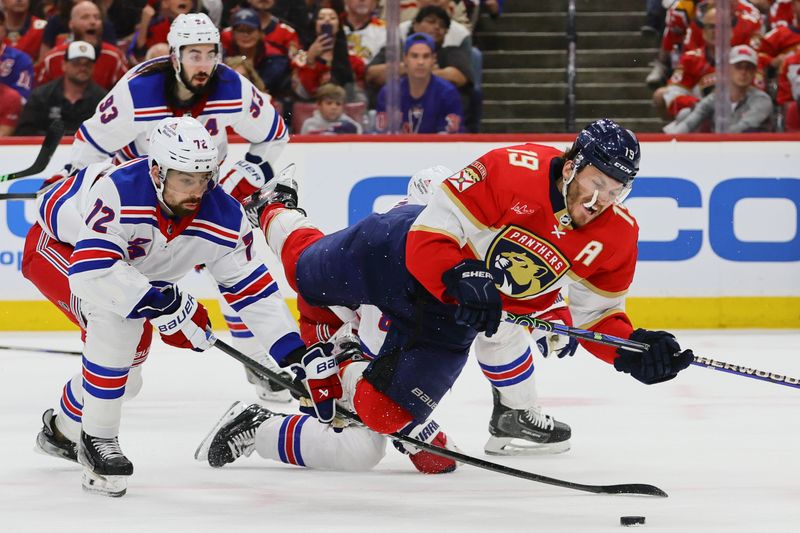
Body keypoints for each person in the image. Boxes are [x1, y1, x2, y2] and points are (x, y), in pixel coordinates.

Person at [195, 119, 695, 474]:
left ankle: (296, 399)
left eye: (615, 191)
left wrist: (630, 350)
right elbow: (428, 235)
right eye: (596, 183)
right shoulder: (511, 168)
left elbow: (598, 315)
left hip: (448, 318)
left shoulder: (617, 235)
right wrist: (458, 271)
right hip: (397, 257)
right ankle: (274, 207)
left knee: (385, 417)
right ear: (572, 167)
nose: (599, 200)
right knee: (305, 269)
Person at [24, 116, 305, 497]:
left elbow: (253, 290)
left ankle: (61, 430)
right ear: (157, 171)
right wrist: (160, 301)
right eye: (185, 179)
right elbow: (94, 270)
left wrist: (295, 356)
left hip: (125, 268)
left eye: (204, 178)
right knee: (117, 322)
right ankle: (98, 443)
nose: (196, 190)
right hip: (60, 249)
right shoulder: (120, 191)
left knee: (129, 378)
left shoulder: (223, 215)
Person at [65, 12, 297, 401]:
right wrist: (83, 190)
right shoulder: (137, 91)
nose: (204, 64)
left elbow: (274, 134)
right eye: (194, 54)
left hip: (202, 193)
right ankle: (110, 367)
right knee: (123, 287)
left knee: (239, 273)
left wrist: (241, 180)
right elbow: (90, 144)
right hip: (145, 202)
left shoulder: (230, 85)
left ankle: (264, 364)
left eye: (210, 53)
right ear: (175, 56)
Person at [663, 44, 773, 133]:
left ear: (754, 72)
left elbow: (744, 127)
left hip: (752, 151)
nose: (743, 72)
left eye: (748, 68)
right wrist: (671, 139)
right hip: (718, 149)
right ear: (728, 69)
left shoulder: (762, 100)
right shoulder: (716, 97)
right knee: (685, 113)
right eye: (738, 67)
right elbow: (692, 120)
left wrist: (716, 141)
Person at [375, 32, 463, 133]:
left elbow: (452, 138)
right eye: (414, 56)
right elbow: (382, 136)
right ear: (405, 59)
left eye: (426, 56)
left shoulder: (448, 93)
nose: (420, 62)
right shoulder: (389, 93)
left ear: (433, 59)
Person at [15, 40, 107, 136]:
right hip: (46, 148)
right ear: (64, 65)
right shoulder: (41, 96)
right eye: (76, 63)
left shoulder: (103, 100)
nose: (83, 68)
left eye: (88, 64)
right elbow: (24, 131)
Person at [35, 1, 128, 91]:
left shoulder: (115, 57)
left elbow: (127, 94)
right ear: (71, 24)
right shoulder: (53, 58)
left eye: (97, 17)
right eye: (85, 17)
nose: (93, 22)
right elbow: (38, 96)